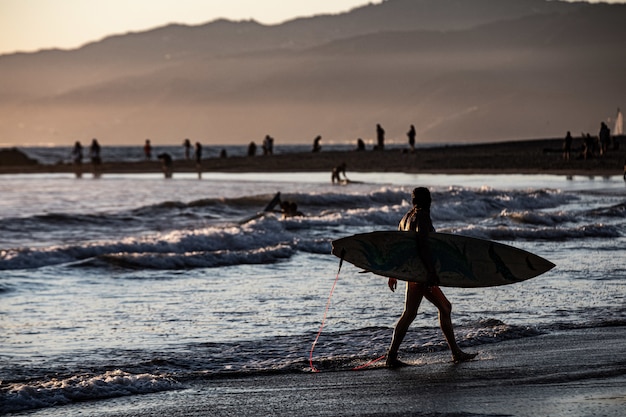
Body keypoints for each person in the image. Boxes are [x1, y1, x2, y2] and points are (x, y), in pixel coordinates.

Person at [386, 187, 477, 367]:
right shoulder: (422, 216)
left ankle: (392, 356)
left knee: (411, 313)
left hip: (411, 273)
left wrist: (393, 273)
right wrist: (431, 272)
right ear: (428, 201)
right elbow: (423, 245)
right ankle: (455, 353)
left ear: (413, 201)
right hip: (422, 273)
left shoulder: (405, 218)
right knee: (444, 307)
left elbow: (399, 247)